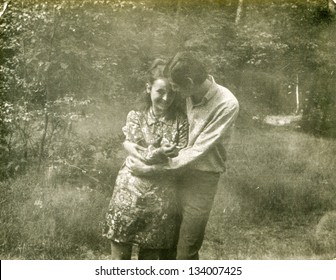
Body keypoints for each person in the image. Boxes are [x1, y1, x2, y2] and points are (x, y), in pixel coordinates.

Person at [126, 52, 239, 260]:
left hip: (201, 179)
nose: (173, 92)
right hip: (170, 176)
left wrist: (150, 170)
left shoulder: (227, 104)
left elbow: (196, 151)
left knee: (186, 249)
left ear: (188, 82)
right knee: (161, 242)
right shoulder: (185, 92)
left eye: (176, 87)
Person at [103, 59, 188, 260]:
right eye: (160, 91)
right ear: (148, 88)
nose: (166, 98)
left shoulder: (181, 121)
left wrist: (156, 157)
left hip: (161, 199)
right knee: (119, 256)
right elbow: (129, 144)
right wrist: (156, 155)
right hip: (129, 193)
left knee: (151, 259)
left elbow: (182, 158)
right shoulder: (136, 116)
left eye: (171, 92)